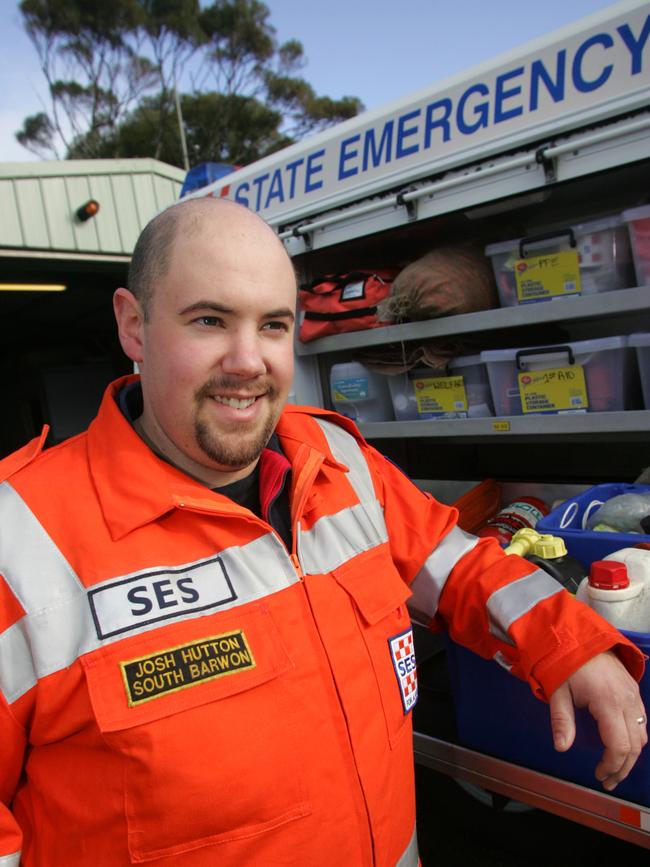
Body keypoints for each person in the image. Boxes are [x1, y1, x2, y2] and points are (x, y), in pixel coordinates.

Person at [0, 197, 646, 867]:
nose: (248, 361)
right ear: (134, 326)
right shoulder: (21, 542)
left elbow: (459, 568)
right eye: (210, 320)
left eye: (273, 325)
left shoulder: (338, 461)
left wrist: (573, 644)